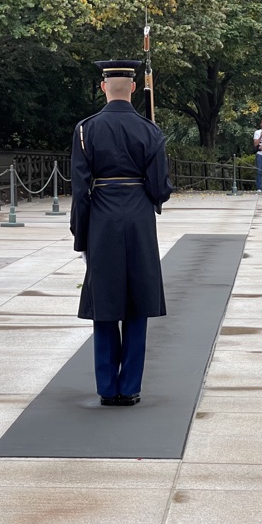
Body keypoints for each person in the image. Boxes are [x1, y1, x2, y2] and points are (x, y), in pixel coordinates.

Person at [70, 60, 173, 407]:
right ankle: (129, 387)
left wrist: (80, 235)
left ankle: (106, 387)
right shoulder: (150, 131)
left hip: (102, 219)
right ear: (131, 88)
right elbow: (159, 188)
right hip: (139, 219)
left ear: (103, 88)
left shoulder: (86, 130)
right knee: (136, 304)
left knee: (105, 304)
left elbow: (80, 189)